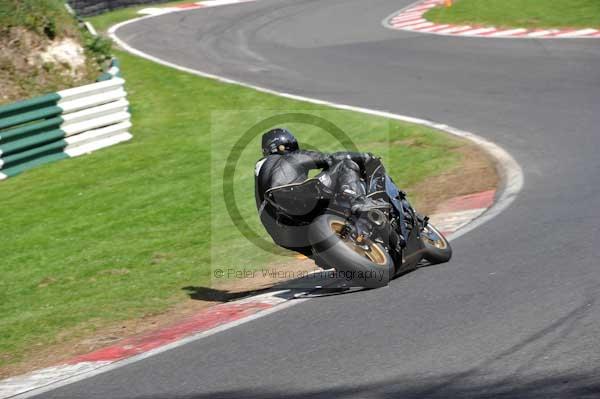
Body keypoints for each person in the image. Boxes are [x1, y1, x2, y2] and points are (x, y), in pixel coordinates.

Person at [255, 128, 380, 212]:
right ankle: (358, 201)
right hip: (296, 197)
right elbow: (332, 158)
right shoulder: (289, 157)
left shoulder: (259, 171)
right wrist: (366, 157)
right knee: (344, 164)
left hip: (277, 226)